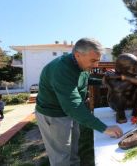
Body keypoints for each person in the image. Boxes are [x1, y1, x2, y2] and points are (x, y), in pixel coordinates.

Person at [35, 38, 123, 166]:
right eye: (93, 61)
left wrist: (103, 82)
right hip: (54, 115)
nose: (96, 65)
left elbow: (82, 81)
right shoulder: (61, 69)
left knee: (72, 150)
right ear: (77, 55)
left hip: (71, 112)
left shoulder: (81, 65)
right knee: (61, 156)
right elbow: (73, 106)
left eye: (98, 60)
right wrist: (104, 128)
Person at [104, 53, 137, 123]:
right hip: (116, 103)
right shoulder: (110, 73)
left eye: (136, 67)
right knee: (119, 91)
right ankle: (120, 112)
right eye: (132, 68)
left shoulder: (136, 72)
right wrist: (136, 79)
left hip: (133, 102)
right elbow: (117, 88)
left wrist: (125, 77)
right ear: (122, 68)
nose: (135, 70)